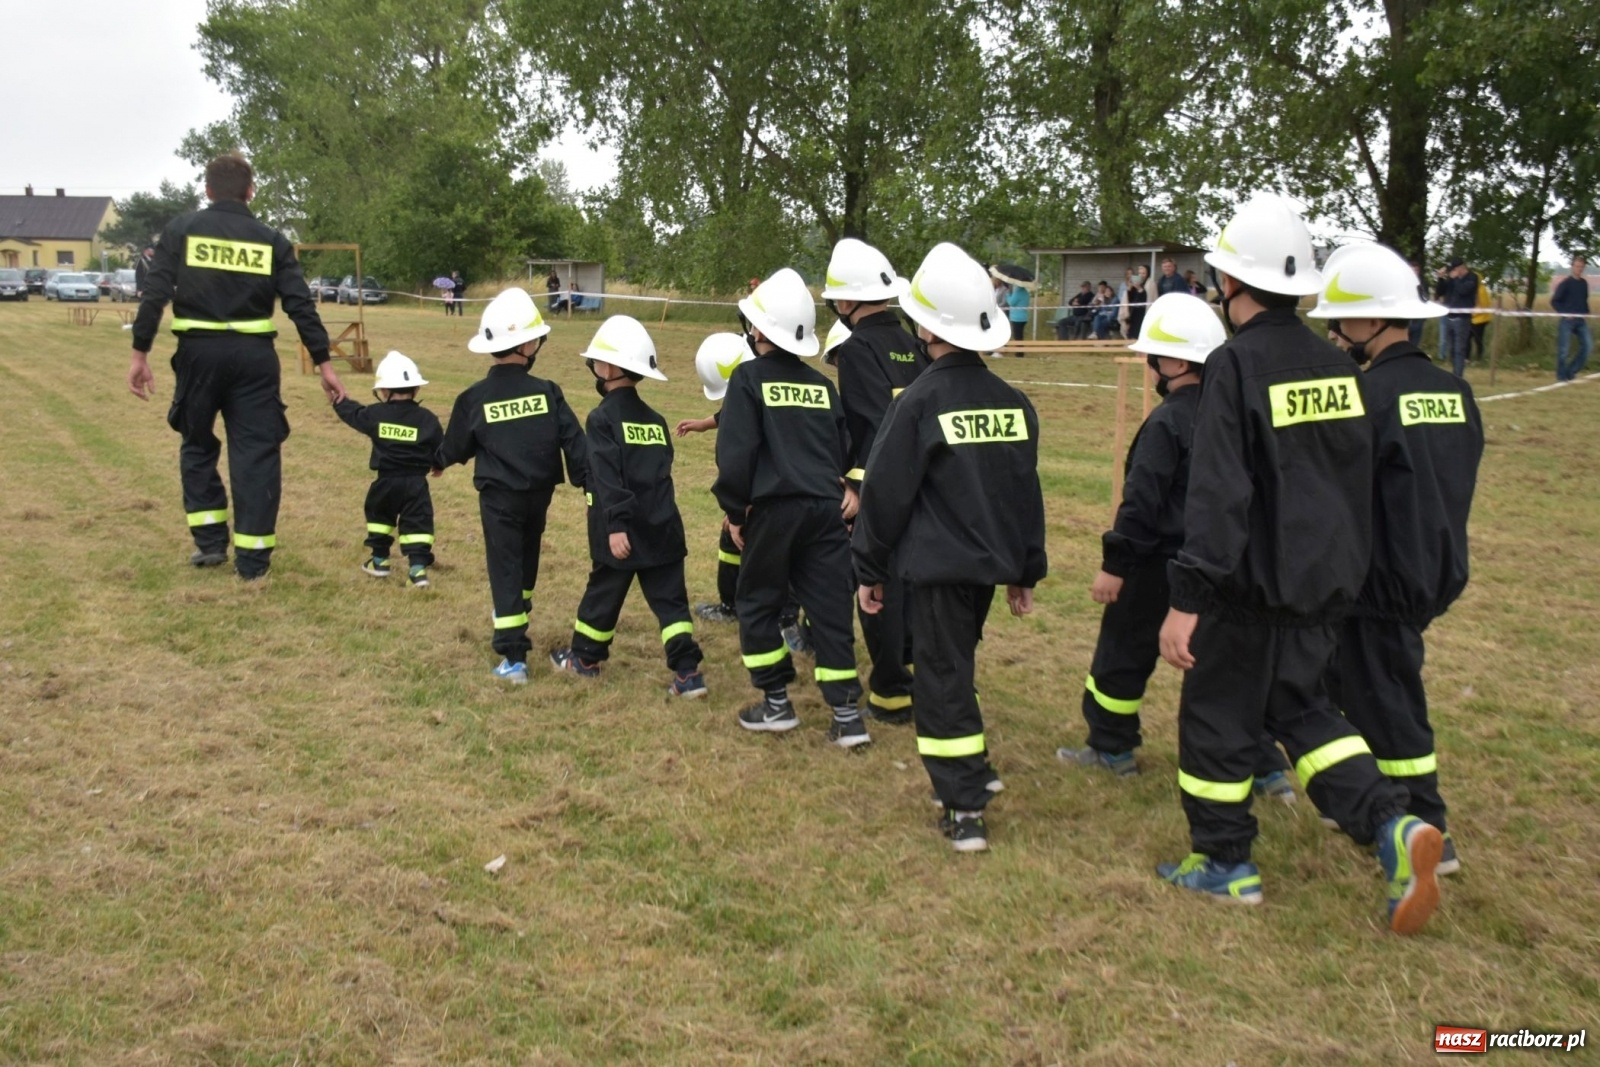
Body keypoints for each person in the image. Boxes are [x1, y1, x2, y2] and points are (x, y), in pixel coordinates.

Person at [1155, 193, 1443, 935]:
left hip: (1246, 589)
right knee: (1306, 711)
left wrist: (1188, 595)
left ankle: (1224, 862)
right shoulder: (1337, 367)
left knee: (1217, 717)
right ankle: (1392, 826)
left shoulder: (1234, 366)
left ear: (1229, 283)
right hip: (1324, 587)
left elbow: (1219, 492)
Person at [1057, 293, 1294, 801]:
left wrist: (1115, 564)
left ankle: (1111, 747)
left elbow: (1141, 500)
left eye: (1153, 357)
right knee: (1226, 669)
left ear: (1176, 362)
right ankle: (1263, 765)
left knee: (1121, 655)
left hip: (1154, 564)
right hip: (1219, 565)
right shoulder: (1234, 415)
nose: (1148, 366)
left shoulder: (1167, 422)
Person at [853, 242, 1047, 852]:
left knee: (938, 680)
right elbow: (1025, 495)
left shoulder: (918, 403)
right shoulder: (1016, 404)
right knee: (957, 669)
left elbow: (885, 494)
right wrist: (1026, 570)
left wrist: (869, 568)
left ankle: (963, 803)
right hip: (987, 570)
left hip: (935, 571)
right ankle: (973, 774)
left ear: (922, 326)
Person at [1309, 241, 1484, 877]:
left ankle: (1427, 825)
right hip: (1432, 565)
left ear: (1373, 320)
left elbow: (1342, 493)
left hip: (1376, 578)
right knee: (1353, 681)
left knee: (1386, 694)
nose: (1335, 330)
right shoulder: (1454, 392)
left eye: (1343, 319)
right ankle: (1356, 799)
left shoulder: (1366, 396)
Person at [127, 152, 346, 581]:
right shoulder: (271, 240)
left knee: (196, 443)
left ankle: (209, 543)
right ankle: (253, 560)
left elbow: (154, 293)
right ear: (250, 192)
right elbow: (300, 305)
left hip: (197, 355)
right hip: (254, 360)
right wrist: (325, 363)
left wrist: (140, 353)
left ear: (207, 190)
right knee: (257, 453)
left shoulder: (182, 231)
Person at [713, 268, 864, 747]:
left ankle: (776, 703)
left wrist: (736, 514)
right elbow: (844, 450)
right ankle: (846, 716)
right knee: (830, 608)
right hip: (825, 510)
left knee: (756, 603)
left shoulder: (747, 378)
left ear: (757, 330)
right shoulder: (823, 386)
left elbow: (735, 454)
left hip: (772, 511)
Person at [435, 287, 588, 683]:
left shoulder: (473, 397)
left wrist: (437, 463)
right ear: (531, 344)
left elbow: (454, 446)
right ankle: (517, 619)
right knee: (526, 559)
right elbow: (575, 443)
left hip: (498, 498)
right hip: (539, 496)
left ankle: (514, 658)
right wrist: (589, 485)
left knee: (504, 568)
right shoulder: (548, 391)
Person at [549, 316, 707, 697]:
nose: (594, 368)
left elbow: (607, 477)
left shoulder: (601, 418)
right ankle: (688, 675)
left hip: (623, 531)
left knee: (603, 594)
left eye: (597, 362)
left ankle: (584, 659)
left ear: (610, 368)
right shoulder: (656, 420)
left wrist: (616, 525)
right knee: (672, 605)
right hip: (664, 528)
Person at [820, 239, 926, 724]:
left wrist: (857, 487)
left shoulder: (857, 348)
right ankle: (927, 674)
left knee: (877, 583)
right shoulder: (913, 340)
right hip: (926, 483)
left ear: (845, 302)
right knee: (922, 583)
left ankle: (890, 691)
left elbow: (868, 423)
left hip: (883, 487)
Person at [333, 350, 442, 588]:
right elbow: (439, 446)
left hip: (385, 482)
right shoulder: (428, 419)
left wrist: (338, 400)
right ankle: (417, 569)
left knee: (379, 518)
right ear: (416, 389)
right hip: (416, 484)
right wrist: (438, 465)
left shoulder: (375, 415)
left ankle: (379, 560)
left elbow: (354, 414)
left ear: (383, 391)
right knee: (418, 524)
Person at [678, 332, 756, 623]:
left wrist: (739, 510)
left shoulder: (747, 399)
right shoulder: (759, 381)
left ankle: (733, 608)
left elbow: (740, 458)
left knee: (736, 540)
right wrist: (702, 424)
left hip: (765, 495)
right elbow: (729, 412)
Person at [1433, 257, 1479, 377]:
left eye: (1454, 269)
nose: (1452, 272)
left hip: (1462, 319)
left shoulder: (1472, 278)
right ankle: (1454, 373)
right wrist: (1441, 278)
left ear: (1461, 267)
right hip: (1449, 317)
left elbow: (1463, 291)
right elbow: (1440, 292)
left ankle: (1458, 376)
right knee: (1452, 349)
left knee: (1459, 349)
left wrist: (1456, 279)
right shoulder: (1451, 280)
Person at [1552, 255, 1591, 382]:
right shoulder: (1566, 284)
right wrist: (1564, 313)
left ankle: (1571, 371)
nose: (1579, 269)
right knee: (1564, 350)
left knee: (1588, 346)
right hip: (1567, 321)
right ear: (1572, 267)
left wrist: (1586, 312)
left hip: (1581, 321)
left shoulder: (1584, 284)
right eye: (1577, 266)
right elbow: (1555, 301)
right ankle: (1561, 376)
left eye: (1581, 267)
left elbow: (1584, 300)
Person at [1470, 275, 1492, 363]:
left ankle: (1479, 357)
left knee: (1478, 339)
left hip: (1480, 319)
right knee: (1469, 338)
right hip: (1476, 319)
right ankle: (1470, 357)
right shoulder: (1478, 289)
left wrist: (1471, 314)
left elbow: (1482, 307)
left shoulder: (1481, 290)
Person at [1125, 269, 1150, 340]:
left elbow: (1143, 298)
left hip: (1140, 314)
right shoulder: (1133, 289)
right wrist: (1129, 288)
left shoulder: (1144, 289)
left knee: (1138, 332)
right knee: (1131, 333)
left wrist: (1139, 288)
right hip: (1133, 313)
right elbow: (1130, 299)